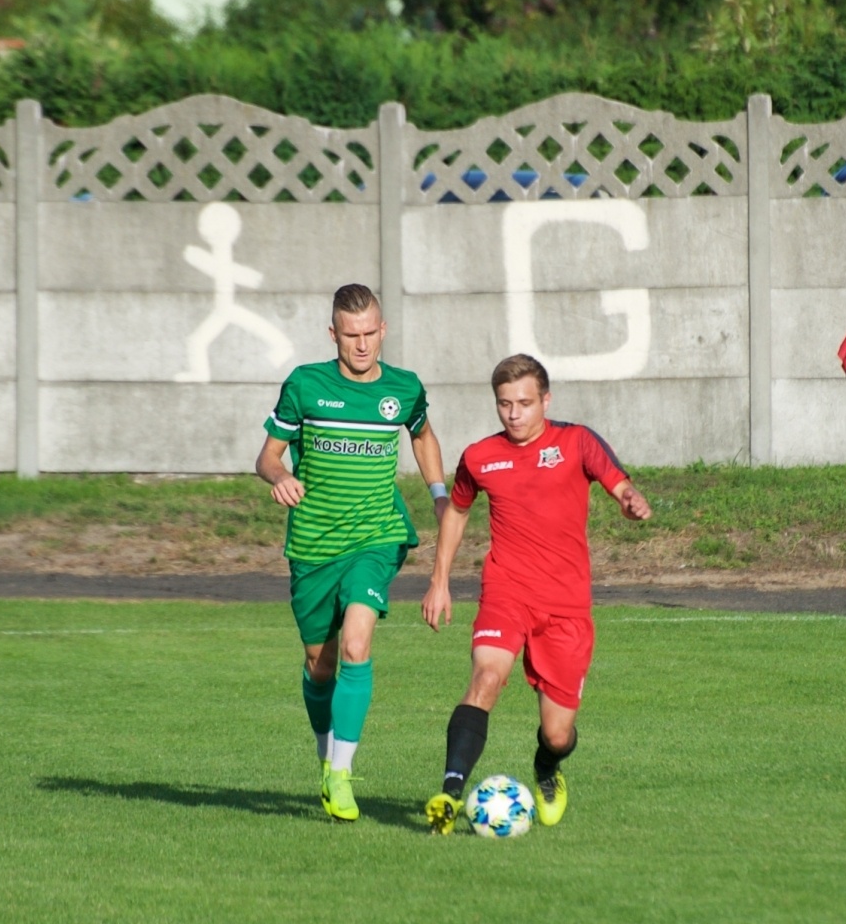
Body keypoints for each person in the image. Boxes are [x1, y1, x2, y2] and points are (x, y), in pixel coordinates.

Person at [420, 353, 651, 835]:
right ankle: (449, 792)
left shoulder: (575, 442)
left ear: (546, 400)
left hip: (566, 605)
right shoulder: (480, 456)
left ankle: (548, 768)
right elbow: (457, 514)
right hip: (506, 589)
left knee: (557, 732)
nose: (514, 414)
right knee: (485, 678)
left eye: (524, 403)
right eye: (504, 404)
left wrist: (629, 499)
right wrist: (439, 580)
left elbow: (618, 482)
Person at [255, 284, 448, 822]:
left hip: (376, 536)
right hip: (314, 544)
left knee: (358, 643)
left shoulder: (404, 389)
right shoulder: (305, 386)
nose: (362, 346)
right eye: (351, 335)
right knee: (322, 666)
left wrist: (438, 496)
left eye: (370, 334)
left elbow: (423, 436)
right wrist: (280, 476)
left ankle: (342, 775)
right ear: (333, 334)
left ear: (383, 331)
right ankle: (325, 761)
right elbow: (267, 456)